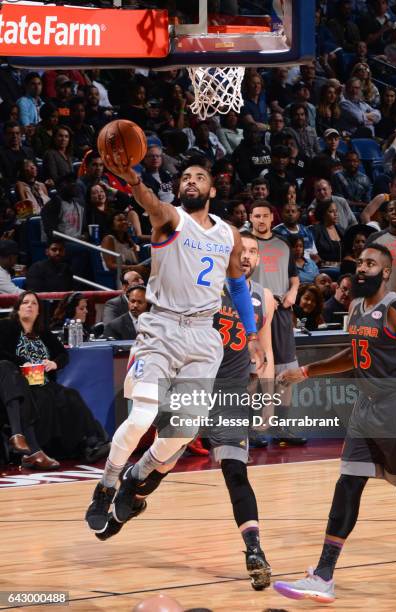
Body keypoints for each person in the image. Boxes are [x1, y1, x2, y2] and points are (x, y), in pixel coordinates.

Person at [85, 161, 266, 533]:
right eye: (185, 177)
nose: (191, 182)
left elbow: (236, 287)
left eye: (200, 177)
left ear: (212, 190)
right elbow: (149, 201)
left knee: (183, 431)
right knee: (141, 418)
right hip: (162, 329)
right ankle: (105, 487)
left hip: (203, 336)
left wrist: (250, 336)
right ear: (178, 188)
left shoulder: (228, 234)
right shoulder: (170, 218)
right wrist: (133, 179)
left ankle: (137, 476)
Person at [93, 232, 275, 591]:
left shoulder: (264, 299)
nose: (246, 256)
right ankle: (127, 497)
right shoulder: (199, 287)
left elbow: (263, 353)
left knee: (235, 472)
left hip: (229, 395)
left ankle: (255, 551)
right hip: (192, 384)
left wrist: (265, 400)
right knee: (162, 465)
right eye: (242, 250)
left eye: (253, 251)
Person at [274, 244, 396, 605]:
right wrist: (306, 371)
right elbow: (352, 355)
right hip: (366, 411)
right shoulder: (355, 308)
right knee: (347, 487)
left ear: (386, 271)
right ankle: (323, 575)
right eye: (360, 262)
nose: (362, 268)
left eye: (371, 264)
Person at [0, 291, 110, 463]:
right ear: (18, 309)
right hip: (18, 382)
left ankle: (92, 442)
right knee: (44, 399)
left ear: (38, 312)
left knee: (70, 396)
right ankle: (36, 449)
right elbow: (2, 353)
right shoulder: (6, 327)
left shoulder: (43, 333)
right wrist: (23, 363)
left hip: (42, 381)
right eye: (25, 303)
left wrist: (54, 364)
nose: (29, 306)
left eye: (34, 304)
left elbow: (62, 354)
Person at [249, 201, 306, 445]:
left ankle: (282, 427)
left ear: (272, 218)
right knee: (255, 369)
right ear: (250, 218)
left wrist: (293, 292)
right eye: (256, 216)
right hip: (253, 310)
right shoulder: (244, 243)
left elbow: (295, 279)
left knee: (285, 368)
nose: (261, 220)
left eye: (265, 215)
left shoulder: (283, 244)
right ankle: (254, 428)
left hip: (281, 312)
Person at [366, 197, 396, 297]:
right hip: (381, 298)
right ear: (386, 216)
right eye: (391, 210)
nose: (394, 212)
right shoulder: (375, 238)